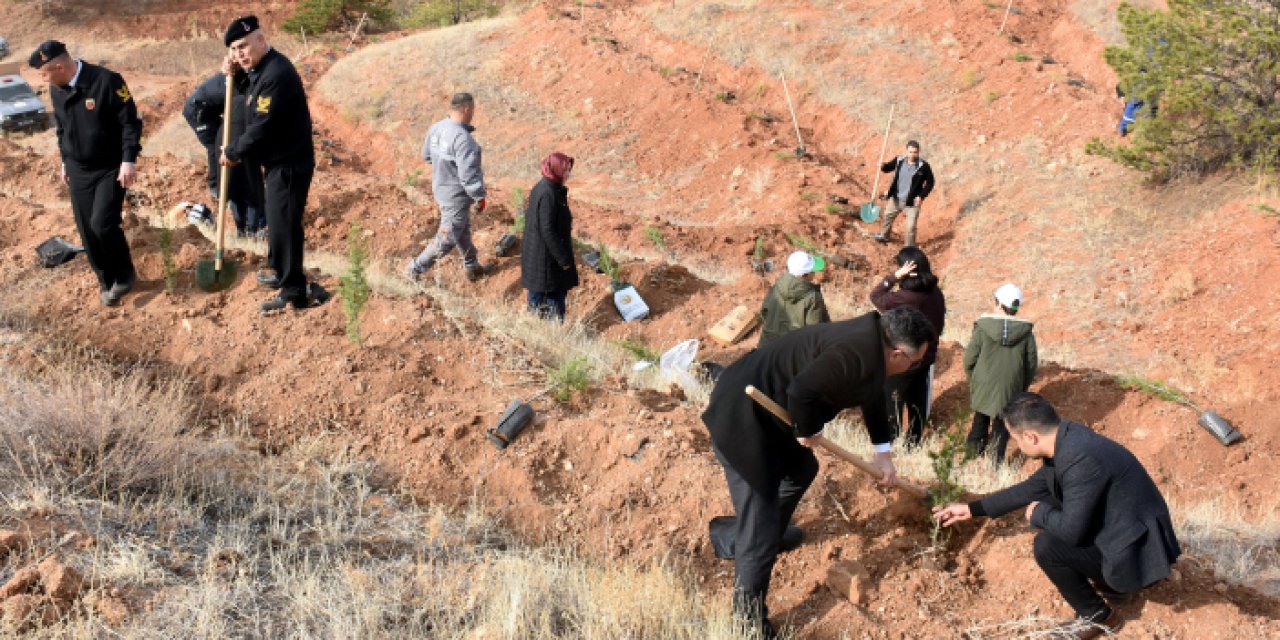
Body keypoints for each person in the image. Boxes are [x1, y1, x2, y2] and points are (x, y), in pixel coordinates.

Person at [701, 307, 936, 639]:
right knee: (761, 514)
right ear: (897, 352)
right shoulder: (854, 352)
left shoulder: (873, 343)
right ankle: (747, 621)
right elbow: (801, 392)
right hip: (744, 418)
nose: (912, 368)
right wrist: (808, 428)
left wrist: (883, 453)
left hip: (773, 414)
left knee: (801, 469)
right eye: (913, 361)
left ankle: (757, 535)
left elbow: (872, 395)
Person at [934, 393, 1181, 639]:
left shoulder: (1079, 459)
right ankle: (1111, 585)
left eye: (1015, 438)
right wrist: (972, 509)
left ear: (1030, 436)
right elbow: (1033, 487)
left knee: (1047, 546)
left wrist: (1040, 514)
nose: (1016, 445)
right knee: (1054, 498)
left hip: (1139, 553)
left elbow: (1072, 531)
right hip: (1130, 535)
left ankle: (1098, 616)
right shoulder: (1067, 440)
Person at [220, 16, 327, 312]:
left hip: (290, 164)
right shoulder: (261, 69)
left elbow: (262, 126)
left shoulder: (277, 73)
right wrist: (234, 74)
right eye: (234, 50)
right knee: (279, 222)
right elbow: (251, 90)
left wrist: (233, 151)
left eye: (243, 46)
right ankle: (283, 273)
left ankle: (293, 291)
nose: (239, 53)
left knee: (285, 225)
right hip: (278, 162)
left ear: (261, 40)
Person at [31, 40, 141, 307]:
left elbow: (130, 123)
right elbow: (62, 129)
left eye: (45, 73)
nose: (42, 80)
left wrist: (129, 160)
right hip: (78, 169)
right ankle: (106, 281)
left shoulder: (107, 81)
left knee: (102, 224)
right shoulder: (56, 89)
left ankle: (125, 276)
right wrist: (64, 161)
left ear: (59, 67)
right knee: (87, 232)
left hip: (109, 168)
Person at [405, 93, 490, 282]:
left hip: (441, 188)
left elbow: (426, 155)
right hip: (455, 195)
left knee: (462, 229)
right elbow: (468, 176)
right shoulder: (463, 139)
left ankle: (472, 266)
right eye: (473, 110)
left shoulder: (436, 128)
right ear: (467, 109)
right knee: (448, 237)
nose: (473, 113)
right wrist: (479, 196)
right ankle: (413, 270)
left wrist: (444, 168)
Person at [869, 246, 946, 445]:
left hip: (902, 359)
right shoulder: (936, 293)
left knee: (893, 402)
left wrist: (893, 277)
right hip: (926, 359)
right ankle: (913, 444)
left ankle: (891, 442)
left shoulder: (904, 297)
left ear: (906, 270)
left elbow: (876, 297)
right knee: (918, 406)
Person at [182, 72, 265, 238]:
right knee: (217, 149)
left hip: (217, 121)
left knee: (226, 161)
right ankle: (215, 185)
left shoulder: (240, 88)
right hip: (199, 113)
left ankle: (221, 189)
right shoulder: (240, 87)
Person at [963, 283, 1037, 461]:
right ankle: (995, 462)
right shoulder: (1026, 333)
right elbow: (1031, 364)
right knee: (1002, 426)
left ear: (998, 303)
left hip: (983, 382)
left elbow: (969, 359)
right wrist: (1021, 386)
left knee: (980, 420)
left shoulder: (982, 327)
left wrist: (973, 380)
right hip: (1011, 386)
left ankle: (971, 457)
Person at [520, 152, 578, 321]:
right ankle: (552, 331)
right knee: (551, 297)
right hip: (547, 259)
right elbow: (547, 229)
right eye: (566, 170)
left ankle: (537, 327)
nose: (568, 174)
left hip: (542, 255)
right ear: (555, 169)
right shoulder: (548, 193)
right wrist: (563, 259)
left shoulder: (549, 187)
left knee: (539, 297)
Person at [757, 251, 830, 347]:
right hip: (793, 353)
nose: (814, 273)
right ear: (804, 275)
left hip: (766, 348)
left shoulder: (777, 286)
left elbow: (764, 311)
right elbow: (814, 333)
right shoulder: (813, 297)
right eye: (812, 271)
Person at [873, 140, 935, 247]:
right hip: (896, 198)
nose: (912, 154)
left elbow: (930, 182)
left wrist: (921, 196)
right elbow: (887, 168)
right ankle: (884, 236)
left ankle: (909, 248)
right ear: (906, 151)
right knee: (887, 216)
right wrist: (882, 166)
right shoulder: (899, 160)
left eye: (915, 152)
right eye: (910, 152)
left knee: (911, 227)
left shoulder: (923, 166)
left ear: (918, 152)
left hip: (912, 202)